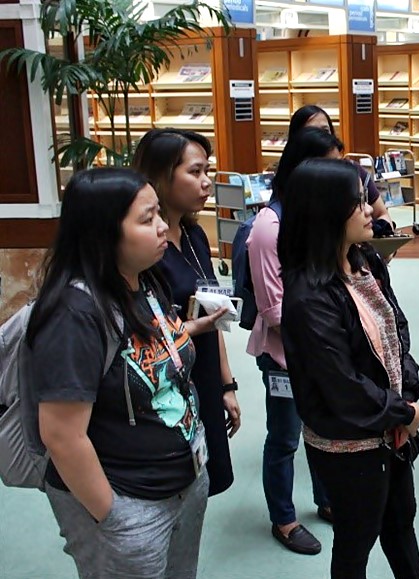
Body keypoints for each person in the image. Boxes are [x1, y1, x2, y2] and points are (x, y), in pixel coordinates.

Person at [29, 168, 224, 577]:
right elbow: (62, 434)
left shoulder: (145, 281)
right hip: (129, 499)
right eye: (146, 219)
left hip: (181, 480)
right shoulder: (74, 314)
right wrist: (114, 516)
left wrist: (194, 331)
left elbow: (144, 349)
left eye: (159, 215)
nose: (161, 229)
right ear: (103, 232)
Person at [278, 158, 419, 578]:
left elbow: (396, 329)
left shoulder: (365, 260)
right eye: (358, 202)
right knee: (356, 539)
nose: (370, 210)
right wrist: (405, 412)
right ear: (326, 212)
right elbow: (340, 383)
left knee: (401, 524)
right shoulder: (308, 295)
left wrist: (408, 391)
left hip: (391, 428)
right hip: (351, 444)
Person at [246, 126, 343, 555]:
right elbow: (274, 311)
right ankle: (283, 519)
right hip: (286, 355)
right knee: (284, 437)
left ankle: (325, 500)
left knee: (321, 429)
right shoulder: (270, 226)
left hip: (322, 347)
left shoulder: (317, 216)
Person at [132, 128, 240, 498]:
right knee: (173, 485)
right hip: (168, 385)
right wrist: (192, 328)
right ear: (161, 175)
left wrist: (227, 384)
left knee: (206, 478)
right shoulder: (145, 252)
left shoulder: (195, 237)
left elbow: (213, 314)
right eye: (194, 172)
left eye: (207, 171)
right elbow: (140, 333)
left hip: (204, 373)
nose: (206, 182)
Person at [288, 104, 392, 224]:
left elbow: (382, 214)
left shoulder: (353, 170)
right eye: (312, 131)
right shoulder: (294, 181)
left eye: (325, 130)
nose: (321, 137)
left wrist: (381, 229)